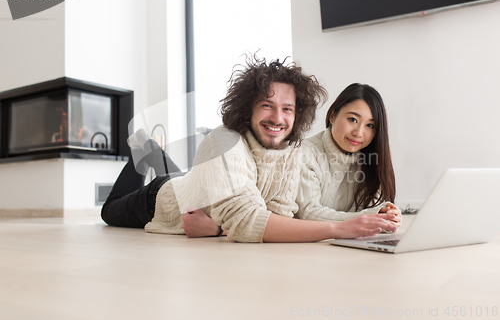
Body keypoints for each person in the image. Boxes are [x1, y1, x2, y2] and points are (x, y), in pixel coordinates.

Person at [101, 56, 398, 242]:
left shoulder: (290, 150)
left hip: (197, 187)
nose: (277, 118)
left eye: (287, 109)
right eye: (267, 105)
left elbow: (278, 214)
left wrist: (220, 227)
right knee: (109, 210)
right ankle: (139, 157)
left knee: (188, 178)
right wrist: (338, 230)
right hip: (160, 200)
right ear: (248, 107)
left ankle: (155, 153)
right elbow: (248, 222)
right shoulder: (224, 141)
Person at [296, 83, 401, 227]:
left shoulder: (370, 160)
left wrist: (386, 216)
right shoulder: (304, 153)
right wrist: (369, 218)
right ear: (333, 116)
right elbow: (308, 214)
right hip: (303, 247)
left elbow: (368, 213)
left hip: (346, 244)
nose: (358, 133)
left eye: (370, 125)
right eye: (353, 119)